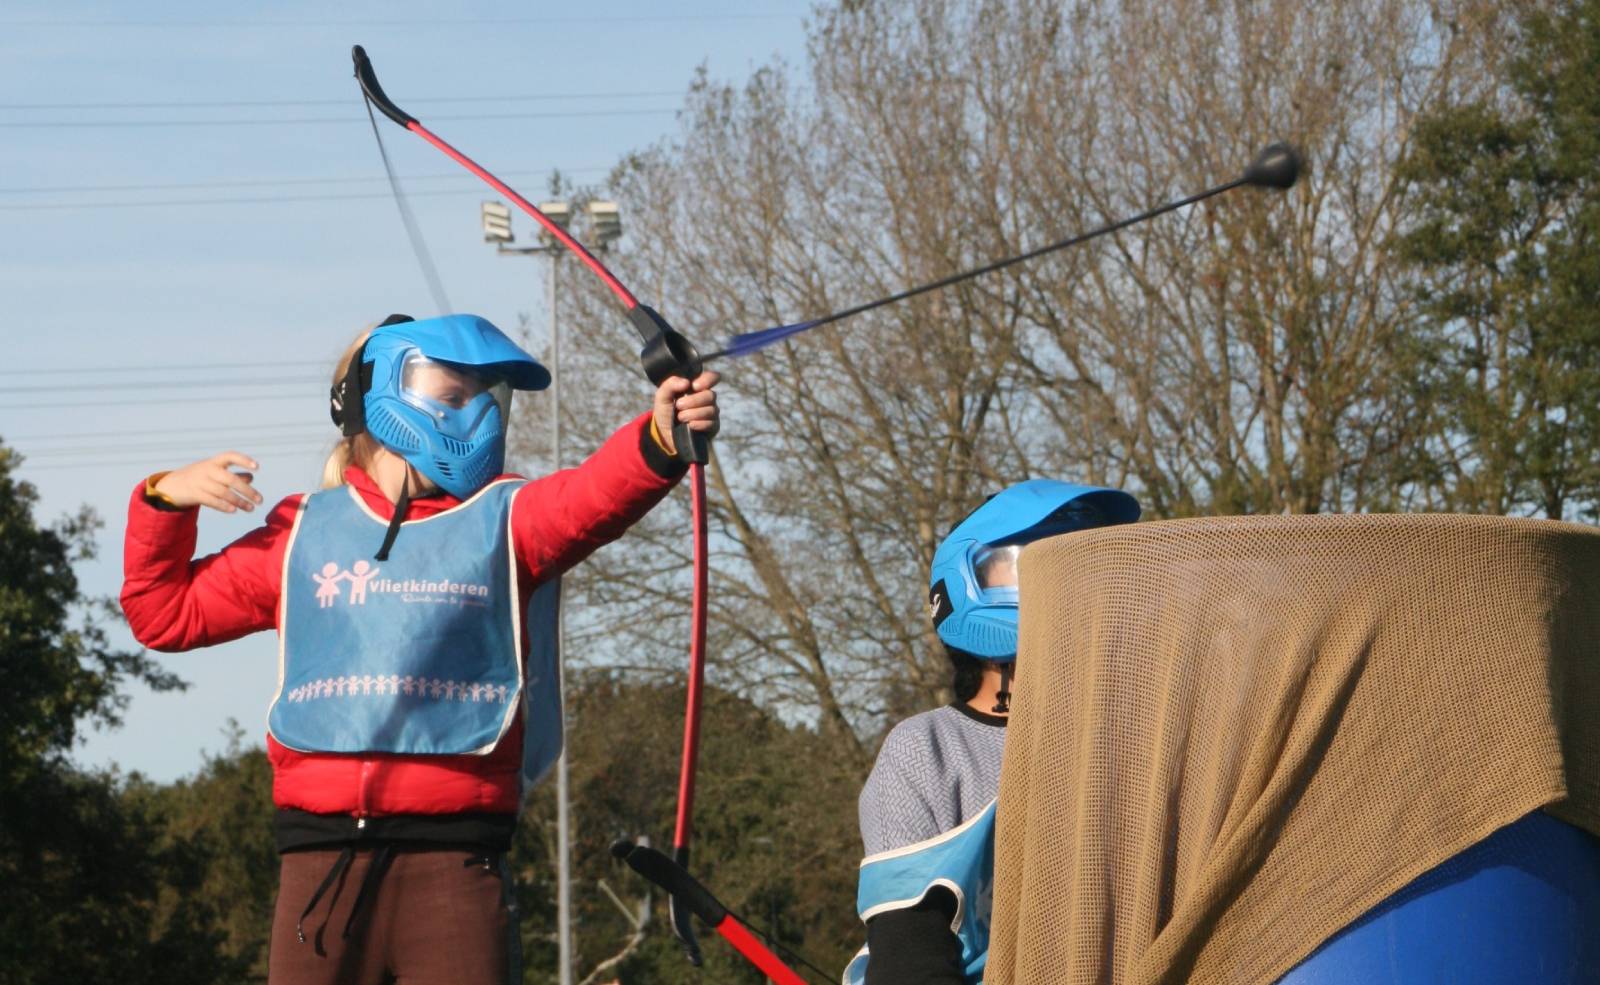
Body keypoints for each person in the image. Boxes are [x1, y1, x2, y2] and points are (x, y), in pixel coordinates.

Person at [120, 313, 719, 985]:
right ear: (381, 396)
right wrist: (163, 498)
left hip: (457, 869)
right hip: (319, 873)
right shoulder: (301, 535)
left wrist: (662, 437)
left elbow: (592, 495)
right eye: (456, 396)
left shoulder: (507, 519)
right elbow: (161, 613)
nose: (482, 418)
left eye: (489, 397)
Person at [847, 479, 1141, 985]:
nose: (1070, 581)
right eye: (1034, 562)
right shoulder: (928, 751)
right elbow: (911, 955)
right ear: (973, 583)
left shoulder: (1132, 738)